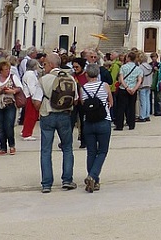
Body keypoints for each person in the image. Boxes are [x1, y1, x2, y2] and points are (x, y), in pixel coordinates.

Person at [36, 52, 77, 192]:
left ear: (52, 65)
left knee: (46, 150)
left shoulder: (43, 79)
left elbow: (36, 101)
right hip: (65, 115)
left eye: (45, 64)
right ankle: (67, 179)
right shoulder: (70, 78)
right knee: (67, 148)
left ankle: (47, 183)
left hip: (47, 114)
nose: (44, 66)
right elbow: (75, 99)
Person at [79, 62, 112, 192]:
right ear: (98, 74)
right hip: (103, 120)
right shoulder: (104, 86)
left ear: (86, 74)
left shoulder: (83, 88)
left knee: (91, 152)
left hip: (89, 122)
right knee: (102, 151)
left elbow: (83, 103)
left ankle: (94, 181)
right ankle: (93, 176)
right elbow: (110, 101)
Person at [0, 58, 23, 156]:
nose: (7, 71)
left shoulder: (13, 77)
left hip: (10, 104)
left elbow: (20, 88)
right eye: (5, 69)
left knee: (9, 126)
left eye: (8, 69)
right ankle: (2, 147)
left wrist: (13, 91)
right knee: (0, 127)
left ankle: (12, 145)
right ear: (1, 71)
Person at [114, 51, 142, 131]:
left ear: (128, 58)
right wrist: (134, 89)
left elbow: (121, 79)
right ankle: (131, 124)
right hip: (133, 89)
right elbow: (139, 80)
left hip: (123, 89)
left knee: (121, 108)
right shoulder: (138, 68)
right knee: (131, 107)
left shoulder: (123, 67)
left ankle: (119, 125)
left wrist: (126, 87)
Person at [20, 57, 41, 140]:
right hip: (30, 97)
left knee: (28, 115)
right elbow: (32, 88)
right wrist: (35, 98)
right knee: (31, 116)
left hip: (28, 97)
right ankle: (27, 133)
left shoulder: (28, 74)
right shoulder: (31, 75)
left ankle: (25, 131)